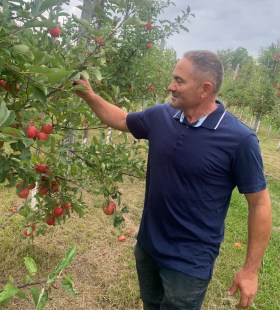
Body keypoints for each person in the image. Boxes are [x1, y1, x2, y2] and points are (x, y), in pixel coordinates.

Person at [74, 50, 272, 310]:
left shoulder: (239, 139)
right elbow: (121, 119)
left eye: (179, 81)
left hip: (189, 264)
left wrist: (250, 270)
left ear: (205, 89)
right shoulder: (161, 116)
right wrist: (89, 94)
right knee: (151, 305)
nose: (171, 86)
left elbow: (259, 204)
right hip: (148, 247)